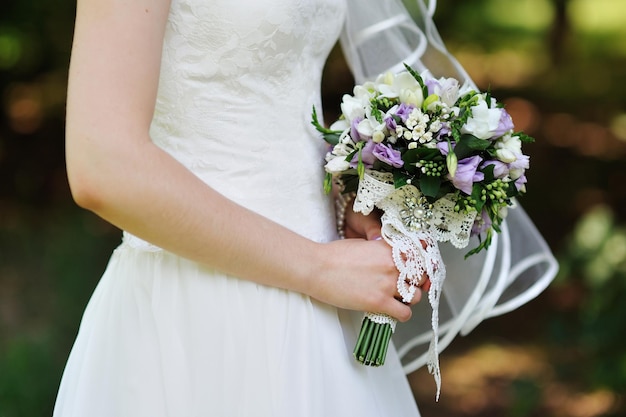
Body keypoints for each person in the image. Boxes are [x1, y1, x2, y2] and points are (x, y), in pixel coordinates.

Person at [54, 0, 557, 416]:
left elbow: (280, 99)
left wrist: (349, 197)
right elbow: (104, 164)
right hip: (201, 312)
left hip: (326, 309)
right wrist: (315, 267)